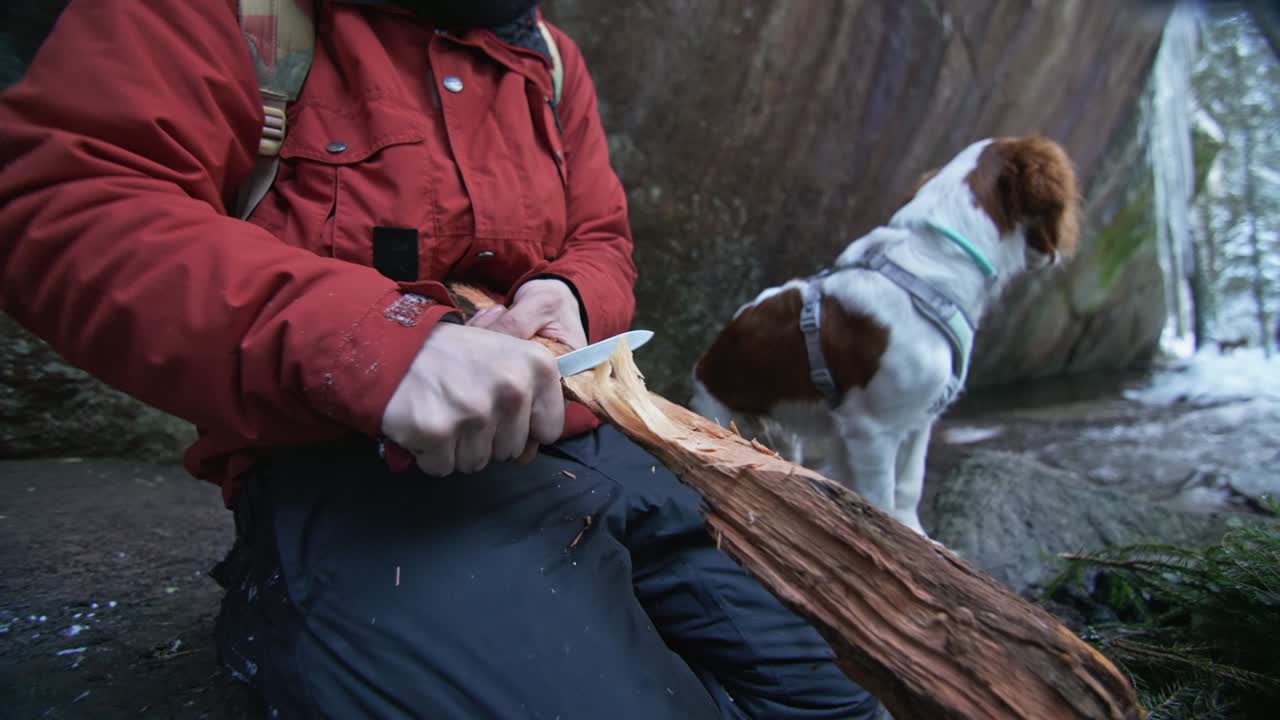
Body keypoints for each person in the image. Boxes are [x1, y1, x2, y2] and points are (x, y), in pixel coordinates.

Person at [0, 2, 882, 718]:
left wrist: (571, 296)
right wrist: (381, 345)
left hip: (591, 445)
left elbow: (601, 237)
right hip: (357, 472)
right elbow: (63, 202)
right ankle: (294, 615)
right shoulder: (240, 17)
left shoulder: (548, 57)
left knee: (845, 692)